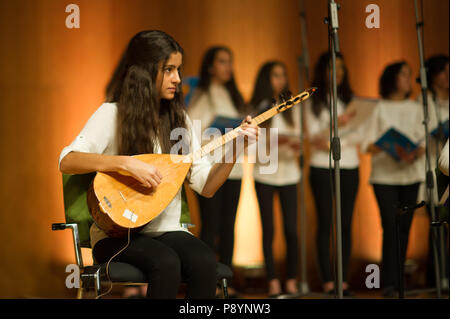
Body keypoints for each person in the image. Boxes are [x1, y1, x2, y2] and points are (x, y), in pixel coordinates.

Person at [58, 30, 259, 299]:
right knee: (165, 263)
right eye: (169, 69)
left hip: (167, 230)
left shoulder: (179, 121)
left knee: (204, 260)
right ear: (144, 71)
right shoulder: (112, 114)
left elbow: (207, 186)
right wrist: (126, 164)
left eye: (178, 69)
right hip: (118, 235)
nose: (177, 78)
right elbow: (68, 160)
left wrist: (237, 147)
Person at [361, 61, 425, 297]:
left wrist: (414, 151)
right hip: (384, 176)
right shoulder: (379, 108)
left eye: (410, 75)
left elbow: (424, 140)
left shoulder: (417, 108)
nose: (408, 80)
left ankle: (400, 281)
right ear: (392, 79)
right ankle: (389, 281)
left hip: (410, 174)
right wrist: (388, 147)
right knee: (390, 226)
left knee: (405, 228)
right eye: (403, 75)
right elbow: (366, 144)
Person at [187, 46, 246, 297]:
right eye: (222, 62)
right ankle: (207, 283)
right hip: (209, 170)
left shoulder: (235, 97)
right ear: (210, 66)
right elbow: (189, 135)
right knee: (210, 227)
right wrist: (216, 134)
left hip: (235, 170)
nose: (228, 67)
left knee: (229, 227)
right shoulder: (200, 95)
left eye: (230, 62)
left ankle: (226, 284)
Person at [305, 52, 359, 296]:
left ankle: (343, 280)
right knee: (325, 223)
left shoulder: (351, 100)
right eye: (332, 67)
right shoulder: (312, 101)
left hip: (350, 165)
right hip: (321, 166)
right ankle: (327, 280)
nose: (337, 72)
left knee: (345, 224)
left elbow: (360, 134)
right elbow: (314, 138)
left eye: (341, 67)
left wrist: (351, 124)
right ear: (323, 71)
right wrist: (339, 121)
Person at [248, 61, 301, 298]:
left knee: (292, 230)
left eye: (283, 75)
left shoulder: (292, 107)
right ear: (265, 80)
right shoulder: (258, 108)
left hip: (290, 174)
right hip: (265, 175)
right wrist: (270, 143)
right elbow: (250, 149)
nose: (280, 80)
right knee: (268, 230)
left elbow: (300, 141)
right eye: (275, 76)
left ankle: (291, 280)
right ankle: (273, 282)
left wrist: (295, 144)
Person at [416, 55, 449, 288]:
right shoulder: (422, 102)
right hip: (431, 168)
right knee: (438, 224)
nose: (448, 76)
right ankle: (437, 277)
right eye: (444, 72)